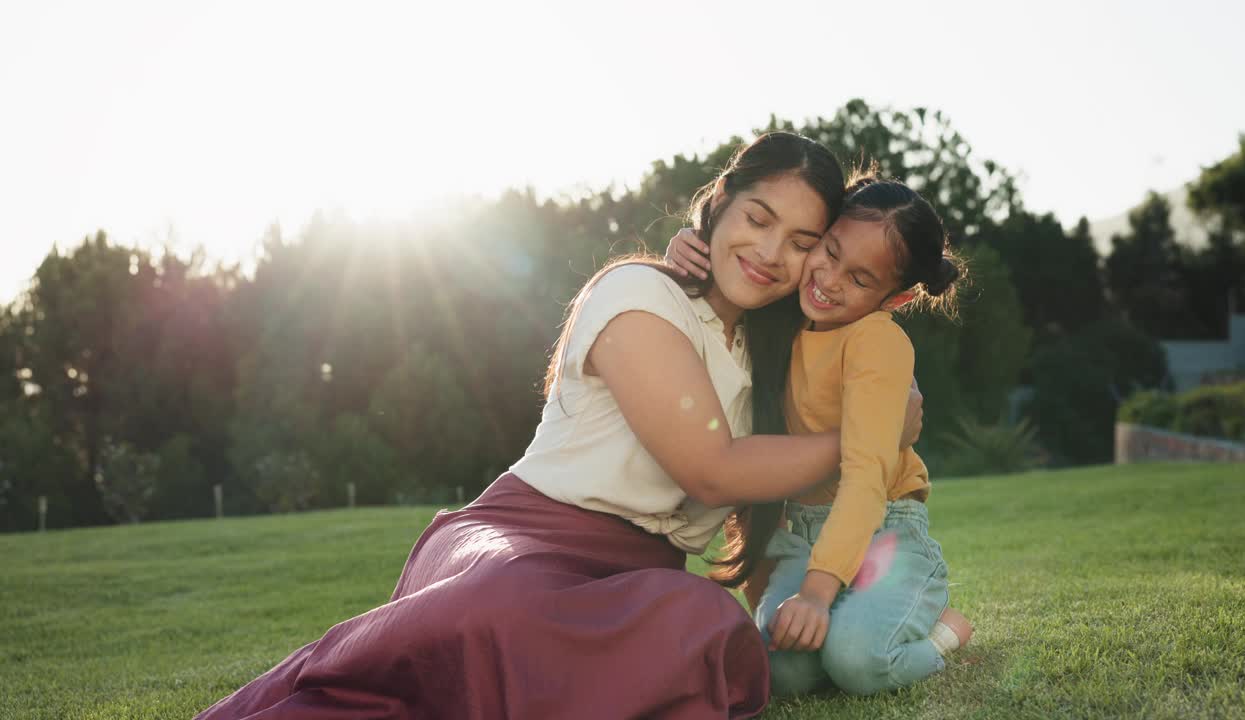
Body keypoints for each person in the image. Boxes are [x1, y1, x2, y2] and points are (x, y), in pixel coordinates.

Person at [196, 132, 924, 720]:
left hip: (637, 584)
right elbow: (713, 470)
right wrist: (870, 436)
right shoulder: (639, 293)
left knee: (703, 620)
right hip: (521, 541)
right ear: (721, 206)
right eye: (758, 220)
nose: (771, 253)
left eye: (802, 242)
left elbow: (861, 363)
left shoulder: (777, 353)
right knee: (505, 610)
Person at [665, 177, 973, 697]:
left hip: (884, 533)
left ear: (893, 297)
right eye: (828, 253)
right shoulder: (787, 314)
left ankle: (944, 633)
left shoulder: (877, 341)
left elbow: (865, 477)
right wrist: (688, 246)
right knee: (782, 673)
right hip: (802, 537)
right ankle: (848, 623)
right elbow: (740, 272)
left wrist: (814, 593)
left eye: (858, 278)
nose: (828, 280)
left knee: (857, 663)